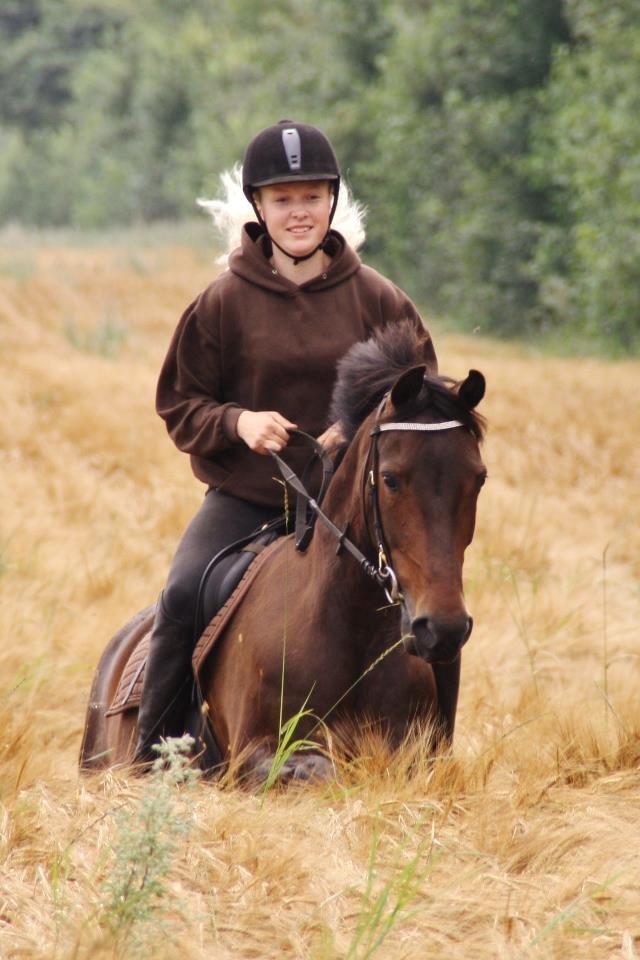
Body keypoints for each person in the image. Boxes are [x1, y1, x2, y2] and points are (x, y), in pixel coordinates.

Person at [134, 119, 438, 764]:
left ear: (332, 200)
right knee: (184, 592)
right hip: (247, 499)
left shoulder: (381, 299)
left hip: (362, 513)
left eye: (310, 197)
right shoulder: (219, 303)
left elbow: (420, 408)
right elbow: (179, 403)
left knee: (440, 608)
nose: (298, 213)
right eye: (281, 199)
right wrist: (238, 423)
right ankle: (151, 761)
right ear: (257, 207)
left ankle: (436, 757)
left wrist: (355, 431)